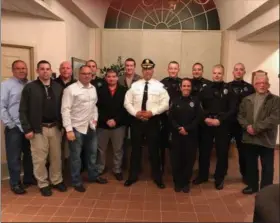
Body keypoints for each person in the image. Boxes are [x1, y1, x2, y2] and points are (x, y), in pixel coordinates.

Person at [19, 60, 67, 196]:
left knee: (56, 157)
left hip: (56, 128)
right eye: (42, 69)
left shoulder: (58, 87)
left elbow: (64, 109)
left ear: (51, 71)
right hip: (37, 129)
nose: (45, 71)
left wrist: (63, 126)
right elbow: (23, 110)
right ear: (37, 71)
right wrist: (27, 129)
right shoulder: (30, 88)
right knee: (39, 159)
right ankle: (43, 183)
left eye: (47, 69)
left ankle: (56, 180)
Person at [124, 59, 169, 188]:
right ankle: (132, 176)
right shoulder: (135, 85)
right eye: (145, 69)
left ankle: (158, 178)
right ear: (142, 70)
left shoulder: (159, 86)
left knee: (154, 151)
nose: (147, 71)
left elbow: (165, 104)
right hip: (137, 122)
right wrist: (135, 113)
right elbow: (127, 102)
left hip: (152, 122)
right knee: (135, 150)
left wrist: (152, 112)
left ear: (153, 70)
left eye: (150, 69)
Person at [61, 65, 108, 192]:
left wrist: (95, 120)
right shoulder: (70, 90)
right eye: (84, 73)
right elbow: (65, 110)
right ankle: (76, 181)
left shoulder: (93, 88)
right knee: (76, 157)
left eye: (89, 73)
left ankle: (93, 176)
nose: (87, 76)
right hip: (76, 128)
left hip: (90, 127)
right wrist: (69, 129)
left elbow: (94, 107)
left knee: (92, 154)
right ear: (78, 74)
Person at [193, 64, 237, 190]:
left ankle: (219, 178)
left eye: (219, 73)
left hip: (222, 125)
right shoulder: (205, 89)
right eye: (215, 73)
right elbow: (198, 106)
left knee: (222, 152)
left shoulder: (229, 89)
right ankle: (203, 175)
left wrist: (220, 120)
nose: (216, 75)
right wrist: (205, 118)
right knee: (204, 151)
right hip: (207, 124)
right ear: (212, 74)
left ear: (223, 74)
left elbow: (233, 109)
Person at [238, 75, 280, 194]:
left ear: (268, 85)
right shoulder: (247, 99)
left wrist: (255, 128)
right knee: (251, 164)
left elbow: (274, 118)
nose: (261, 85)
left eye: (264, 83)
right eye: (259, 83)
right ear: (255, 85)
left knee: (267, 166)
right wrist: (247, 126)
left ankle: (266, 190)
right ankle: (252, 186)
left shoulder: (276, 100)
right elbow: (241, 116)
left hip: (266, 139)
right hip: (250, 138)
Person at [0, 60, 36, 194]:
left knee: (29, 154)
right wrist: (10, 124)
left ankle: (28, 178)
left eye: (23, 68)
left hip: (28, 127)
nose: (21, 71)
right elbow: (1, 106)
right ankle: (15, 183)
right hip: (14, 127)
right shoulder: (5, 85)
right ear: (13, 70)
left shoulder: (31, 84)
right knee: (14, 157)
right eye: (18, 68)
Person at [169, 78, 201, 193]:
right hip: (177, 135)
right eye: (184, 86)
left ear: (191, 88)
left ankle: (185, 182)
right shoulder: (175, 100)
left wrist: (187, 128)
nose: (186, 88)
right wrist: (179, 128)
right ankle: (177, 182)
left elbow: (198, 118)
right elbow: (171, 117)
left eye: (188, 86)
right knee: (176, 160)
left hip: (191, 135)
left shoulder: (196, 101)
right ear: (180, 87)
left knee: (189, 160)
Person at [97, 69, 127, 180]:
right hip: (102, 125)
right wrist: (106, 120)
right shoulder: (99, 90)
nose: (111, 78)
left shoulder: (124, 91)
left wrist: (116, 120)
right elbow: (97, 108)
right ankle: (100, 168)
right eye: (109, 76)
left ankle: (117, 169)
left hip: (118, 125)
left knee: (118, 149)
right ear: (106, 78)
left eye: (113, 76)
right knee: (101, 149)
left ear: (117, 78)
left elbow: (125, 108)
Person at [228, 63, 255, 184]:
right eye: (236, 70)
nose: (238, 72)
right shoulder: (226, 86)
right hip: (228, 123)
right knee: (223, 151)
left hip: (242, 125)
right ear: (233, 72)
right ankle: (221, 174)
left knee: (243, 151)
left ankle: (246, 175)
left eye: (241, 70)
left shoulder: (250, 88)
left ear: (244, 72)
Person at [118, 58, 141, 170]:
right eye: (127, 65)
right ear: (124, 67)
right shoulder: (119, 79)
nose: (129, 67)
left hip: (135, 114)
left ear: (134, 67)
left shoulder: (140, 79)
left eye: (131, 65)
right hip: (122, 114)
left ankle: (137, 165)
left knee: (136, 140)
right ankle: (123, 163)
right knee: (122, 140)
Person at [160, 61, 182, 172]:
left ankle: (177, 167)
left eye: (175, 68)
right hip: (164, 118)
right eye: (171, 68)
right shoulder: (162, 83)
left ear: (178, 70)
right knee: (162, 143)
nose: (173, 70)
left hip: (178, 119)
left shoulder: (183, 83)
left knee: (177, 144)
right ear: (168, 69)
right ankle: (161, 167)